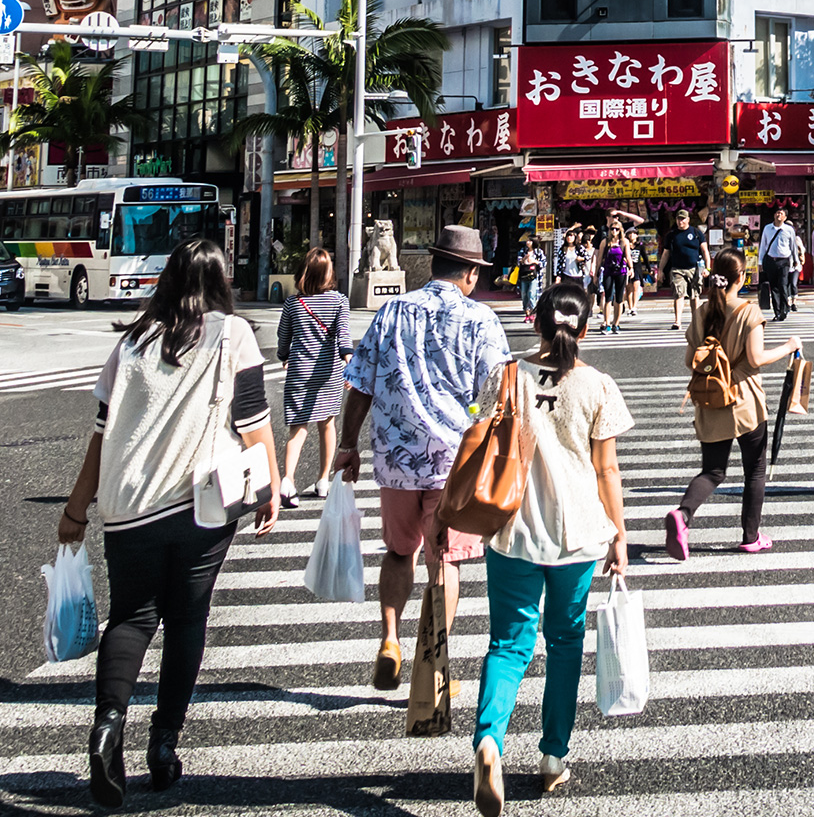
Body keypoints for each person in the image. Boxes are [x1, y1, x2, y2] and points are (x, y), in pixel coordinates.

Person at [58, 237, 280, 808]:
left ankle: (107, 727)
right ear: (221, 280)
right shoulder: (233, 335)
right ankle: (163, 744)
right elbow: (253, 423)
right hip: (199, 505)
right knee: (186, 620)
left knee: (129, 619)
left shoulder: (132, 342)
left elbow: (101, 437)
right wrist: (271, 489)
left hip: (128, 505)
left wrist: (74, 511)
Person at [469, 281, 631, 814]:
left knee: (508, 645)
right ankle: (553, 758)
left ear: (533, 321)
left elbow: (481, 437)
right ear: (584, 329)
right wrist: (619, 533)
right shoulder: (597, 386)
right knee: (565, 645)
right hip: (576, 533)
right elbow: (606, 468)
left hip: (512, 529)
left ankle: (489, 740)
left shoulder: (506, 374)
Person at [335, 225, 510, 696]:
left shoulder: (392, 310)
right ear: (471, 273)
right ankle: (432, 662)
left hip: (395, 458)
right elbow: (493, 394)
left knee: (398, 551)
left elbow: (361, 383)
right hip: (455, 461)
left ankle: (389, 640)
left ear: (431, 265)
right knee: (444, 562)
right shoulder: (481, 320)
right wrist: (472, 421)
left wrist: (347, 444)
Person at [664, 252, 802, 559]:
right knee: (755, 470)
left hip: (711, 399)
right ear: (741, 278)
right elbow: (755, 359)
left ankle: (683, 514)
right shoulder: (748, 312)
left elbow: (690, 361)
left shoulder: (701, 311)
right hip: (745, 400)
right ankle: (750, 536)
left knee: (713, 470)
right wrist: (789, 346)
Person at [276, 247, 352, 506]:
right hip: (328, 372)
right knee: (327, 424)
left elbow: (283, 337)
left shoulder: (293, 303)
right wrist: (348, 361)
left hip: (299, 371)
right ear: (327, 273)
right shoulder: (339, 301)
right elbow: (343, 335)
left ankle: (288, 481)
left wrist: (283, 355)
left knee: (297, 429)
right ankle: (322, 481)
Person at [663, 209, 706, 329]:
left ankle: (696, 320)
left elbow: (704, 250)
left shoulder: (696, 233)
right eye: (678, 219)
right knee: (678, 294)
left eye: (683, 219)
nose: (680, 221)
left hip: (694, 268)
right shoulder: (672, 235)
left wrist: (707, 268)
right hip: (677, 268)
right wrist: (660, 270)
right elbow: (666, 253)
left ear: (688, 219)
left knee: (695, 295)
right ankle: (677, 321)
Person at [759, 206, 800, 322]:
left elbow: (793, 246)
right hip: (772, 260)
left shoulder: (789, 230)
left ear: (785, 217)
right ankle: (777, 312)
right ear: (774, 215)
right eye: (777, 213)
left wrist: (796, 260)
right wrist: (760, 262)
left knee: (783, 285)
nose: (779, 215)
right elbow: (763, 246)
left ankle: (784, 308)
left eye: (781, 213)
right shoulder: (767, 228)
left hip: (784, 261)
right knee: (774, 287)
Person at [595, 223, 631, 335]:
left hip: (621, 271)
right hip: (608, 271)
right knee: (608, 296)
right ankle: (607, 323)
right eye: (612, 229)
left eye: (616, 229)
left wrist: (631, 268)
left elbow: (628, 256)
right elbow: (600, 257)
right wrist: (596, 273)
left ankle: (616, 323)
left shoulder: (624, 242)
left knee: (619, 298)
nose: (614, 231)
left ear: (620, 230)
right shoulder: (605, 242)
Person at [515, 239, 545, 324]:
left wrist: (535, 261)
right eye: (527, 240)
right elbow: (519, 262)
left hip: (534, 276)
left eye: (530, 241)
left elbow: (543, 263)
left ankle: (532, 313)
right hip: (524, 275)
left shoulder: (539, 252)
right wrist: (525, 258)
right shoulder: (522, 251)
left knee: (532, 293)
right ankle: (527, 313)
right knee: (524, 294)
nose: (527, 242)